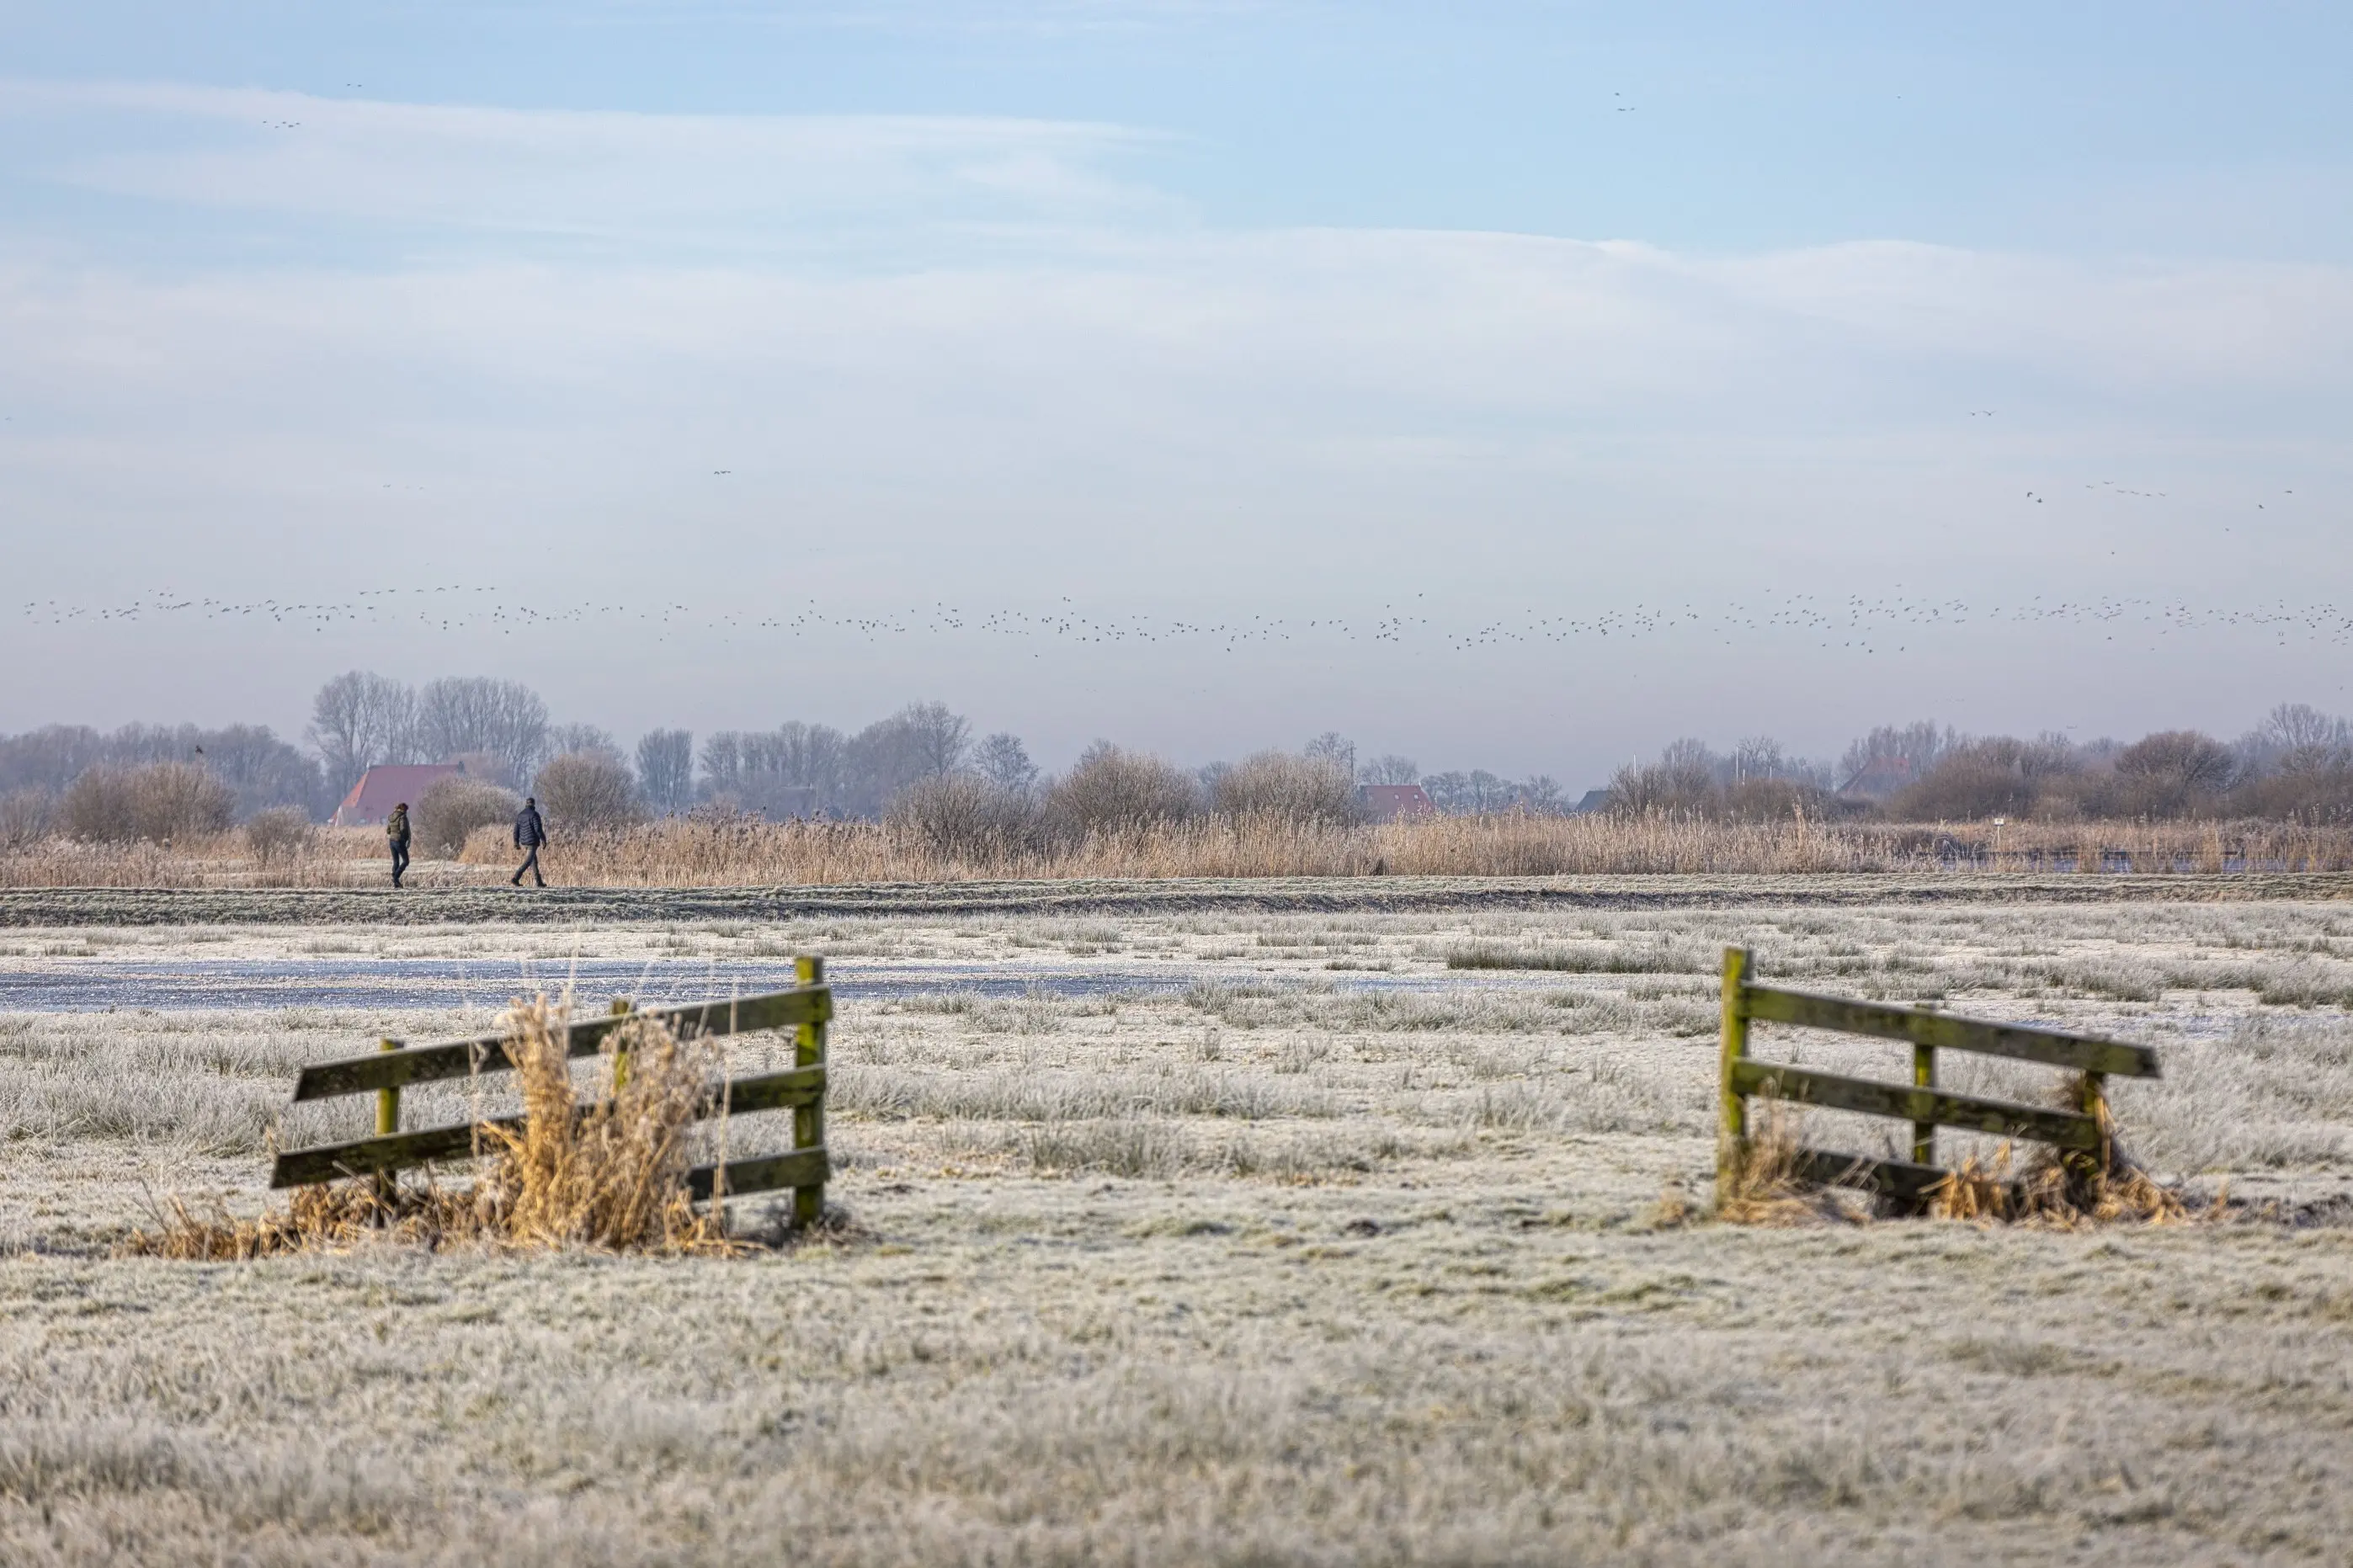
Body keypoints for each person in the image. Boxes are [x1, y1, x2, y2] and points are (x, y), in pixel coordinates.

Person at [511, 795, 547, 887]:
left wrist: (516, 841)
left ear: (526, 804)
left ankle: (539, 882)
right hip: (532, 842)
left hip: (524, 842)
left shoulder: (520, 815)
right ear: (534, 804)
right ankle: (516, 878)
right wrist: (543, 839)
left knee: (533, 861)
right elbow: (538, 829)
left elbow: (516, 830)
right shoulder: (535, 815)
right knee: (528, 861)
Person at [386, 802, 412, 888]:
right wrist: (404, 838)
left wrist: (394, 832)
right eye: (406, 810)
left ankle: (396, 885)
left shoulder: (392, 817)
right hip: (399, 841)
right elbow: (403, 829)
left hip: (391, 841)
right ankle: (395, 878)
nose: (406, 812)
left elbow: (388, 831)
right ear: (403, 809)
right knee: (406, 861)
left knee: (396, 862)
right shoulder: (402, 817)